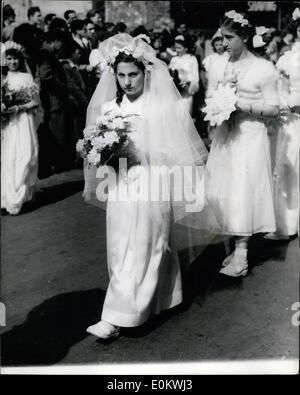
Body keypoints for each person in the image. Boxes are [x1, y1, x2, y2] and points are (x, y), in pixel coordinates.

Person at [83, 34, 213, 339]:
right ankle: (168, 294)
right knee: (120, 243)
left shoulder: (161, 107)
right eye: (122, 75)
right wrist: (101, 154)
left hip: (151, 182)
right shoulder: (108, 110)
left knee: (146, 242)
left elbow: (176, 150)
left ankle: (117, 317)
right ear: (113, 75)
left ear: (145, 73)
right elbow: (98, 149)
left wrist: (140, 151)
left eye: (133, 75)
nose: (127, 82)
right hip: (119, 184)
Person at [205, 11, 279, 277]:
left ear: (244, 37)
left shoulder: (263, 68)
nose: (223, 43)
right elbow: (212, 96)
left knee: (243, 190)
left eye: (229, 37)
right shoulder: (219, 65)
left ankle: (242, 253)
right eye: (222, 37)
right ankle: (234, 246)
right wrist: (216, 111)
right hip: (226, 134)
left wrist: (242, 105)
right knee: (222, 191)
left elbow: (273, 109)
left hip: (250, 135)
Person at [265, 8, 300, 240]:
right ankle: (287, 224)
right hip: (294, 119)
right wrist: (287, 103)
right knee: (289, 167)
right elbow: (283, 90)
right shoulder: (289, 58)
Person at [1, 43, 41, 215]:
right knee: (9, 156)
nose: (13, 62)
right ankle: (7, 198)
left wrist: (19, 107)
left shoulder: (26, 78)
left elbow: (36, 102)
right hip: (9, 123)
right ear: (5, 60)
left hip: (24, 121)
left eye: (15, 58)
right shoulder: (3, 80)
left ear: (20, 59)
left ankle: (23, 195)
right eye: (9, 58)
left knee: (25, 154)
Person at [168, 35, 199, 114]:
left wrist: (189, 88)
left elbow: (195, 76)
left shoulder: (192, 59)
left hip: (186, 91)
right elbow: (170, 75)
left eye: (180, 48)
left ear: (186, 48)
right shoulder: (174, 59)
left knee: (185, 114)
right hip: (175, 92)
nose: (177, 50)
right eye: (176, 48)